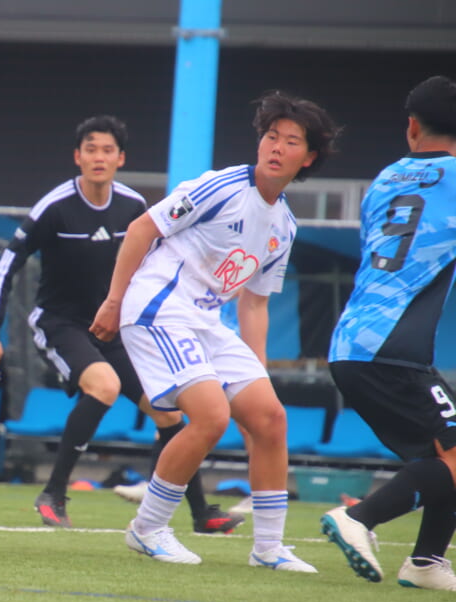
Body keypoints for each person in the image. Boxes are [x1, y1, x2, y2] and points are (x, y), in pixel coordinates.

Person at [90, 92, 340, 569]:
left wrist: (256, 376)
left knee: (270, 418)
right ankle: (147, 528)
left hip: (205, 321)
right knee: (211, 416)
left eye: (291, 142)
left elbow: (256, 301)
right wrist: (114, 300)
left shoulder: (284, 226)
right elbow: (143, 229)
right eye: (271, 136)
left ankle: (268, 548)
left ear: (308, 158)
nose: (277, 147)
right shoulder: (221, 186)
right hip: (159, 307)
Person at [0, 115, 242, 533]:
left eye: (107, 150)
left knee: (169, 413)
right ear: (77, 157)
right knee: (104, 386)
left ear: (121, 159)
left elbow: (166, 260)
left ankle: (200, 513)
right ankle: (53, 494)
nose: (98, 157)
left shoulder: (134, 207)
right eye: (91, 150)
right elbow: (9, 264)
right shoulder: (55, 207)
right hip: (61, 324)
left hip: (115, 328)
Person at [320, 75, 456, 591]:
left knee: (442, 456)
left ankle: (426, 564)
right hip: (394, 349)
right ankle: (360, 517)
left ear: (412, 127)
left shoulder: (384, 180)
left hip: (353, 341)